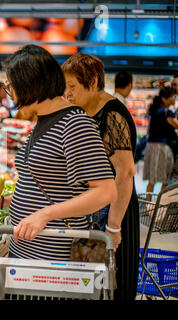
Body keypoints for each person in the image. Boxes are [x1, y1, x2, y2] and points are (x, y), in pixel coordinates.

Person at [0, 45, 116, 263]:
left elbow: (105, 192)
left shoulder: (75, 124)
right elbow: (50, 188)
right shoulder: (44, 122)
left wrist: (45, 215)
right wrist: (2, 202)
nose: (11, 95)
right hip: (27, 253)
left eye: (11, 87)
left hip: (55, 259)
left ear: (30, 84)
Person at [62, 53, 139, 301]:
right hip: (94, 211)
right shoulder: (84, 111)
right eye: (66, 88)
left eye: (72, 87)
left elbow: (125, 174)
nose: (68, 94)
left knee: (111, 283)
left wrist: (114, 227)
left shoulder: (113, 114)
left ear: (93, 82)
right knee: (92, 283)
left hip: (115, 211)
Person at [143, 87, 178, 194]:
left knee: (152, 180)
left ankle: (149, 206)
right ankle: (161, 204)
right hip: (161, 147)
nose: (174, 99)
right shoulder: (166, 112)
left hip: (151, 146)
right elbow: (176, 125)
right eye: (172, 96)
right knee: (165, 179)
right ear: (165, 98)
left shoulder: (155, 111)